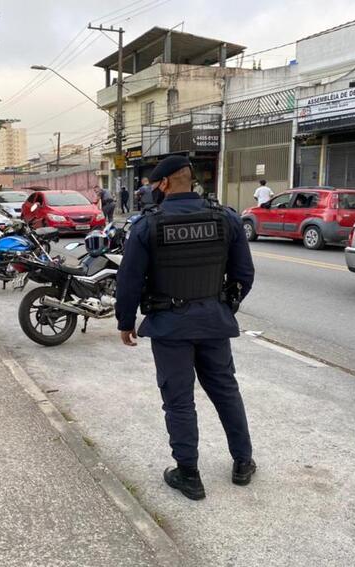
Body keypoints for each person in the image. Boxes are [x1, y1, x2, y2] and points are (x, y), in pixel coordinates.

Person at [114, 155, 256, 501]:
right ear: (189, 180)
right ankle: (242, 462)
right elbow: (244, 275)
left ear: (164, 184)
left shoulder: (148, 225)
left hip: (169, 327)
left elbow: (129, 279)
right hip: (213, 323)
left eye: (152, 184)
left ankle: (189, 475)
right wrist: (222, 305)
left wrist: (125, 321)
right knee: (225, 391)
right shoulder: (226, 218)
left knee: (178, 402)